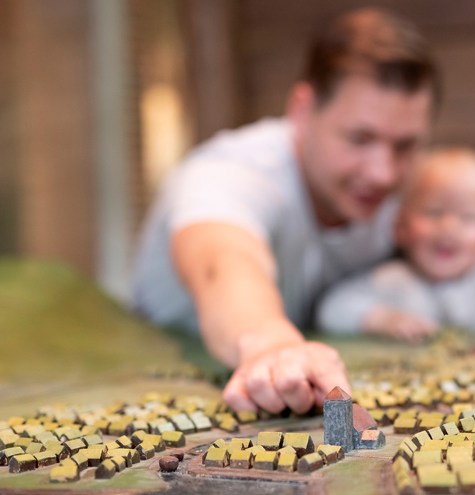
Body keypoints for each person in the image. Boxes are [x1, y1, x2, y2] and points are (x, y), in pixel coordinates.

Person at [130, 8, 439, 415]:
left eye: (405, 146)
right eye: (360, 138)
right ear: (302, 109)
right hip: (150, 380)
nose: (383, 173)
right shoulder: (230, 172)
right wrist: (271, 344)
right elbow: (223, 263)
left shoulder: (394, 200)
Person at [316, 147, 475, 341]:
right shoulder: (393, 279)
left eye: (467, 217)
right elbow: (331, 310)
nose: (448, 228)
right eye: (433, 213)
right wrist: (382, 319)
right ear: (401, 228)